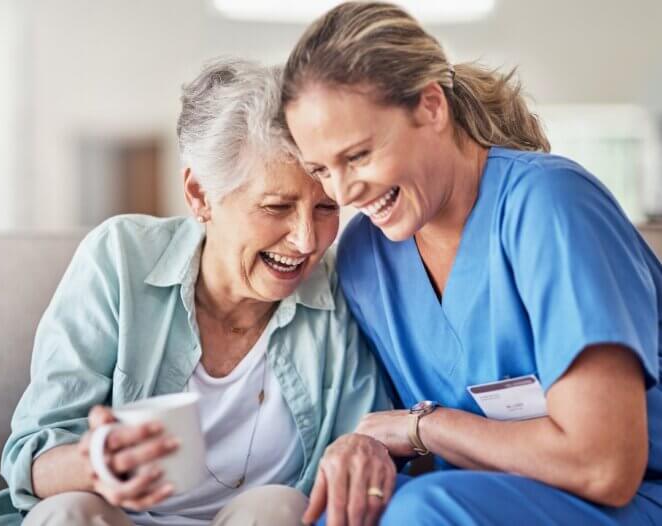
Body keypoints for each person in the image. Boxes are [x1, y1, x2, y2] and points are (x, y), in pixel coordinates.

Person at [281, 2, 662, 525]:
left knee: (420, 512)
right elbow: (396, 439)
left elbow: (605, 467)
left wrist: (425, 428)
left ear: (431, 107)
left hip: (635, 499)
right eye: (322, 169)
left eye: (360, 155)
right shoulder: (365, 259)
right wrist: (364, 449)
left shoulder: (549, 206)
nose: (344, 192)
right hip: (489, 497)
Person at [0, 58, 391, 526]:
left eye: (325, 207)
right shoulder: (119, 258)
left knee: (277, 508)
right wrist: (96, 463)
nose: (307, 240)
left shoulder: (339, 287)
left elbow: (366, 438)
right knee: (71, 511)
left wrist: (372, 448)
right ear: (199, 195)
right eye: (276, 206)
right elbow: (32, 456)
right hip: (115, 517)